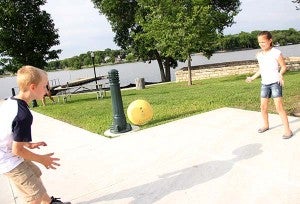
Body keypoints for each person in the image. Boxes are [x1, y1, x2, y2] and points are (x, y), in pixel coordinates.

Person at [0, 65, 70, 203]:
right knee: (33, 196)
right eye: (44, 86)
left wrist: (29, 144)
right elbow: (17, 150)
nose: (46, 90)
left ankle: (48, 202)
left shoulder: (11, 101)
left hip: (9, 152)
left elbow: (9, 131)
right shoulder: (23, 115)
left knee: (35, 174)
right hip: (8, 160)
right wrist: (42, 159)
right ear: (33, 87)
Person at [246, 31, 293, 139]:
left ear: (270, 40)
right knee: (263, 107)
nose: (261, 44)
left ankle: (287, 130)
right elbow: (261, 69)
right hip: (265, 84)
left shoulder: (276, 52)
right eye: (259, 42)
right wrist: (252, 78)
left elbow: (283, 67)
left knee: (279, 107)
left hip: (275, 83)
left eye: (263, 41)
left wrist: (280, 75)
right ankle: (266, 125)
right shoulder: (259, 55)